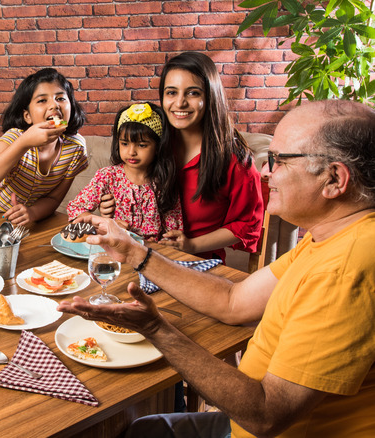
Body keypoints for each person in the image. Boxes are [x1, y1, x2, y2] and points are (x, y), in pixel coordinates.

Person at [60, 100, 375, 437]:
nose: (266, 172)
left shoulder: (346, 268)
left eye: (278, 161)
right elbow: (234, 301)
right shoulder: (331, 239)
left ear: (334, 179)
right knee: (143, 430)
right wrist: (136, 252)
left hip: (263, 424)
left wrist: (156, 328)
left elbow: (267, 415)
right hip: (246, 423)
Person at [103, 52, 263, 261]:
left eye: (193, 93)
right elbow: (122, 181)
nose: (179, 103)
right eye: (171, 92)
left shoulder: (236, 162)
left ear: (210, 97)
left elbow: (246, 225)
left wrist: (192, 245)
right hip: (136, 256)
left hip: (196, 263)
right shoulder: (150, 144)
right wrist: (110, 210)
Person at [0, 68, 88, 226]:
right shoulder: (16, 137)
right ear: (27, 116)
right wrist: (24, 143)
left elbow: (53, 199)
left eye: (60, 98)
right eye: (42, 100)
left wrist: (32, 213)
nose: (54, 105)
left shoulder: (75, 149)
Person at [66, 102, 182, 241]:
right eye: (125, 144)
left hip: (152, 250)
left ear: (158, 147)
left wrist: (164, 241)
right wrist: (105, 223)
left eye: (142, 145)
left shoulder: (164, 181)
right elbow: (75, 209)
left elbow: (173, 228)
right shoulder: (108, 176)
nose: (131, 152)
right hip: (116, 246)